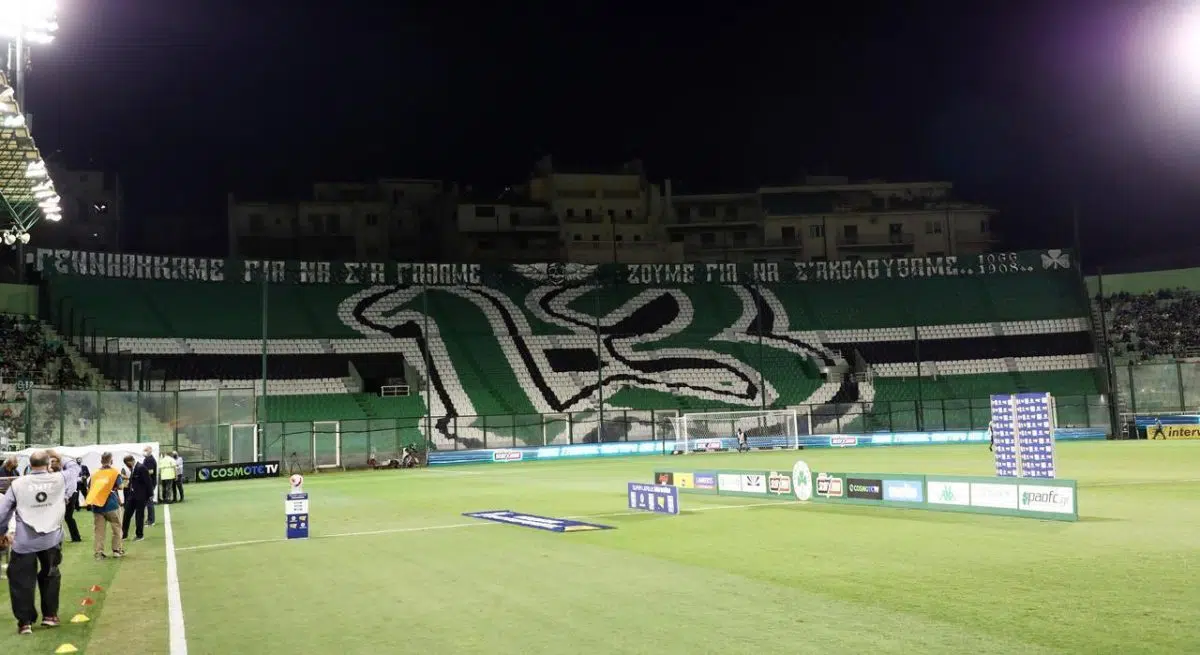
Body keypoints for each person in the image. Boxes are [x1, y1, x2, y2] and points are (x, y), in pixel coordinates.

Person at [0, 449, 81, 634]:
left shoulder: (18, 484)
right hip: (51, 539)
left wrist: (1, 532)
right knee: (50, 575)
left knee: (21, 581)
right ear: (48, 464)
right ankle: (50, 616)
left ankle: (25, 622)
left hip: (24, 541)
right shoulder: (59, 478)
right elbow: (75, 468)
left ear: (30, 464)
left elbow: (3, 512)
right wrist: (60, 456)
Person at [85, 452, 124, 560]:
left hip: (97, 505)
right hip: (111, 504)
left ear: (101, 461)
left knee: (99, 531)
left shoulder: (94, 474)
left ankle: (99, 553)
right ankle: (116, 550)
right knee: (116, 527)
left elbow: (89, 488)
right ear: (111, 461)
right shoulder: (114, 472)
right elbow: (120, 486)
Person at [120, 455, 152, 542]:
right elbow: (132, 481)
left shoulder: (141, 468)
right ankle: (123, 534)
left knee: (139, 515)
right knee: (126, 514)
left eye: (127, 464)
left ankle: (139, 535)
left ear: (129, 462)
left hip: (141, 496)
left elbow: (148, 481)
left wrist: (150, 495)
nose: (127, 466)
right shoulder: (134, 468)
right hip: (132, 495)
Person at [141, 447, 157, 525]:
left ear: (149, 451)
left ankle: (151, 520)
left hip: (149, 483)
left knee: (149, 502)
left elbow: (150, 471)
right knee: (148, 501)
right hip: (149, 483)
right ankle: (150, 519)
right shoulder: (147, 459)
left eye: (145, 450)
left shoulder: (149, 460)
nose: (144, 452)